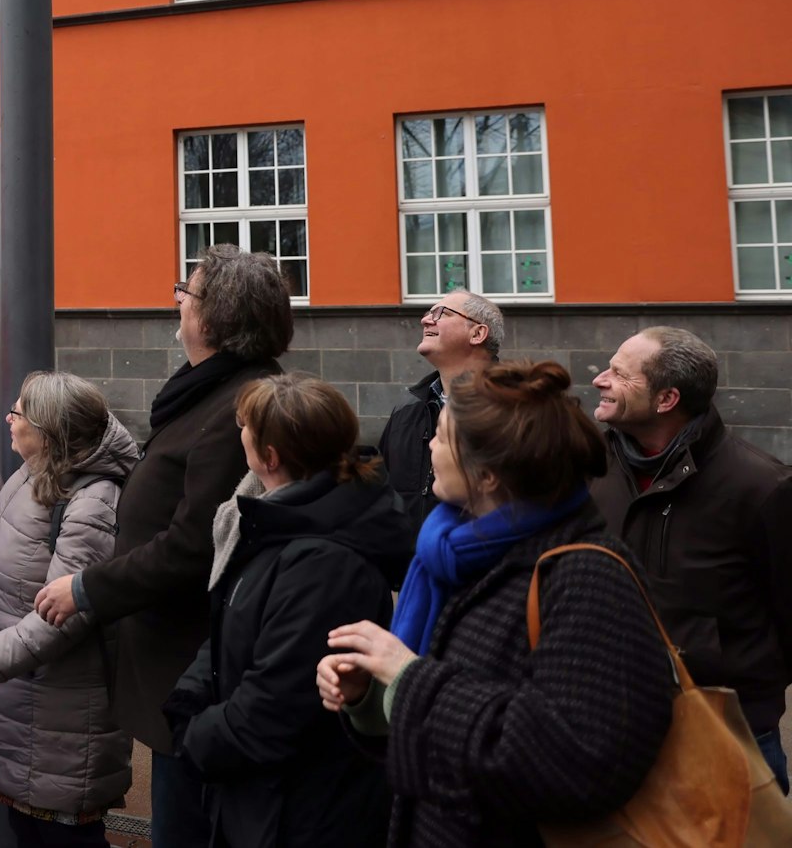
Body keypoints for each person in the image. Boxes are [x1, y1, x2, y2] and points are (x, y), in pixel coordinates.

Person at [317, 361, 673, 845]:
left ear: (485, 475)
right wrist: (369, 696)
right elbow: (437, 740)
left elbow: (580, 766)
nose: (429, 445)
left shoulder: (585, 576)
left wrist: (407, 676)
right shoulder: (455, 552)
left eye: (442, 437)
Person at [33, 244, 292, 845]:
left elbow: (193, 545)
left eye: (187, 291)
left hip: (194, 669)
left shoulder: (242, 403)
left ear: (217, 317)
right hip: (173, 660)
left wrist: (87, 589)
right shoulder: (210, 389)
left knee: (187, 825)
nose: (177, 300)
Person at [165, 374, 411, 847]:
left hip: (297, 815)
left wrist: (195, 739)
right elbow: (228, 630)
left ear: (270, 457)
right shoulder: (278, 523)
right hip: (262, 804)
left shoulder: (326, 562)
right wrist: (187, 705)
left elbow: (276, 705)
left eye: (245, 427)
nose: (239, 434)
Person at [0, 372, 138, 847]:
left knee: (62, 839)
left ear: (47, 431)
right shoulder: (38, 471)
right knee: (29, 832)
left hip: (60, 718)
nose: (8, 419)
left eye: (18, 412)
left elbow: (54, 626)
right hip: (24, 703)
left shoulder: (93, 504)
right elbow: (3, 528)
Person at [589, 326, 792, 792]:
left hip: (730, 734)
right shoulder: (590, 466)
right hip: (613, 723)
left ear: (666, 399)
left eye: (620, 373)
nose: (600, 379)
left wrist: (744, 684)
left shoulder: (762, 487)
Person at [378, 290, 503, 525]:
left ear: (477, 333)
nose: (425, 320)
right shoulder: (407, 410)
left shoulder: (513, 410)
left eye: (441, 313)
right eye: (428, 313)